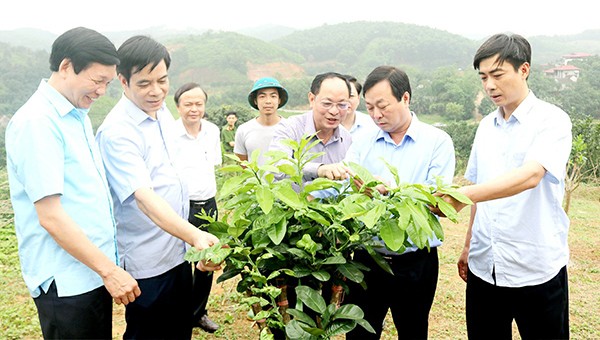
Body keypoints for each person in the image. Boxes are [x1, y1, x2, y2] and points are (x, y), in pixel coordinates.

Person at [5, 27, 140, 339]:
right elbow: (51, 215)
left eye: (107, 82)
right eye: (97, 80)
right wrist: (110, 271)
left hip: (90, 271)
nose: (102, 91)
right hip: (66, 281)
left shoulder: (77, 114)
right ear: (66, 67)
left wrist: (106, 268)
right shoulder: (38, 122)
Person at [437, 33, 572, 339]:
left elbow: (530, 176)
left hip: (536, 268)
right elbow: (480, 185)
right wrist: (469, 243)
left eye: (497, 75)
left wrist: (462, 196)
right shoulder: (486, 126)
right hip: (486, 266)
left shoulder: (552, 121)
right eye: (483, 77)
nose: (489, 86)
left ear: (524, 69)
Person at [95, 35, 220, 339]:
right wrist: (194, 234)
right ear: (123, 81)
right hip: (148, 261)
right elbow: (144, 198)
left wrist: (187, 238)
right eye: (144, 83)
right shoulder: (118, 132)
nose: (156, 91)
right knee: (148, 331)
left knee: (179, 328)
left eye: (162, 81)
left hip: (175, 251)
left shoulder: (161, 111)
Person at [336, 66, 456, 339]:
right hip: (368, 260)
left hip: (416, 261)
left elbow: (437, 198)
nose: (376, 115)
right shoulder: (363, 142)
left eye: (383, 106)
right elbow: (346, 189)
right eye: (370, 107)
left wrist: (390, 191)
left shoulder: (437, 141)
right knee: (359, 332)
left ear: (405, 98)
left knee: (413, 330)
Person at [172, 82, 222, 333]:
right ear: (178, 106)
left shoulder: (212, 130)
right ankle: (180, 313)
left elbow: (214, 162)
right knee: (180, 262)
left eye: (199, 104)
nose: (194, 109)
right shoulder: (169, 133)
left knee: (207, 261)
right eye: (188, 104)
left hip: (209, 203)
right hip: (180, 206)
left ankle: (198, 313)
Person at [269, 72, 353, 183]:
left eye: (342, 105)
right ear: (312, 99)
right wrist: (318, 169)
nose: (334, 111)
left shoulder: (347, 139)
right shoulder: (289, 128)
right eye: (327, 103)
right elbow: (278, 165)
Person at [234, 77, 288, 165]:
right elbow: (242, 162)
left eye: (273, 96)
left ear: (279, 100)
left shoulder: (291, 128)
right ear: (255, 101)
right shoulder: (243, 130)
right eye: (262, 96)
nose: (268, 101)